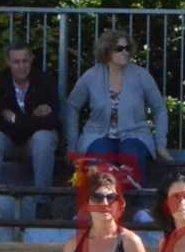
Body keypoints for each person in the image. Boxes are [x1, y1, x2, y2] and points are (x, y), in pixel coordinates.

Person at [64, 29, 171, 222]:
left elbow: (160, 108)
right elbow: (72, 106)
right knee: (99, 155)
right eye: (119, 49)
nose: (125, 53)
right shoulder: (91, 76)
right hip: (97, 133)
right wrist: (72, 145)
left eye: (128, 48)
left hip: (135, 132)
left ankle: (139, 208)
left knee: (133, 153)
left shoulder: (141, 75)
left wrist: (160, 143)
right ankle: (91, 207)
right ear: (107, 51)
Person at [0, 43, 61, 222]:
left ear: (31, 60)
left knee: (45, 138)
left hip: (34, 143)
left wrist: (14, 118)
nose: (21, 66)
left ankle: (43, 205)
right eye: (16, 62)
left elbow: (52, 121)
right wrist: (33, 118)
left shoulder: (45, 81)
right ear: (8, 62)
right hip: (8, 142)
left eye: (25, 61)